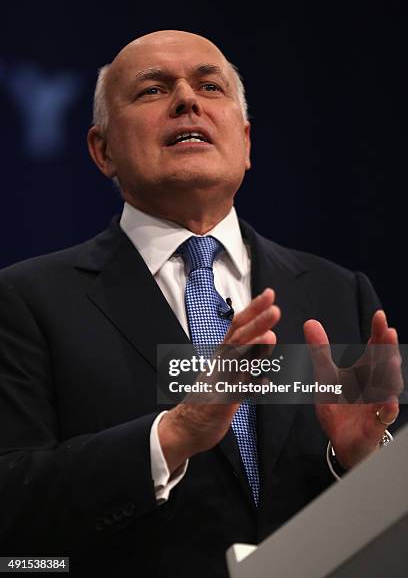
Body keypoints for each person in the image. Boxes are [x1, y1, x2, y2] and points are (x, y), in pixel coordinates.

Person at [0, 30, 405, 577]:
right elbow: (13, 512)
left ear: (246, 140)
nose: (187, 100)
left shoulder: (341, 293)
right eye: (152, 90)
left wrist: (365, 461)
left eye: (209, 86)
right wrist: (173, 436)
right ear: (103, 150)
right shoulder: (25, 301)